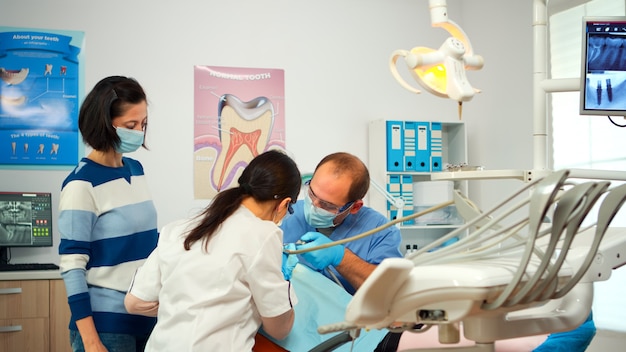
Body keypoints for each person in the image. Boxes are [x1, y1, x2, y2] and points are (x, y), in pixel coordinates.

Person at [124, 149, 301, 351]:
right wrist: (284, 289)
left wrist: (183, 305)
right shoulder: (264, 233)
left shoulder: (180, 228)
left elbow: (134, 302)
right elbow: (279, 329)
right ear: (284, 204)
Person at [57, 76, 158, 352]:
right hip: (106, 328)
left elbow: (146, 242)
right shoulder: (82, 183)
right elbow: (72, 265)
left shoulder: (136, 170)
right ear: (105, 123)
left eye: (143, 124)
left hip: (147, 321)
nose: (139, 131)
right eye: (131, 125)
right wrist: (90, 340)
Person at [280, 152, 404, 351]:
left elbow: (390, 296)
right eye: (311, 194)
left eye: (327, 205)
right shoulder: (286, 214)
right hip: (286, 335)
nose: (314, 206)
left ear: (354, 207)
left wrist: (340, 257)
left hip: (349, 340)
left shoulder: (381, 232)